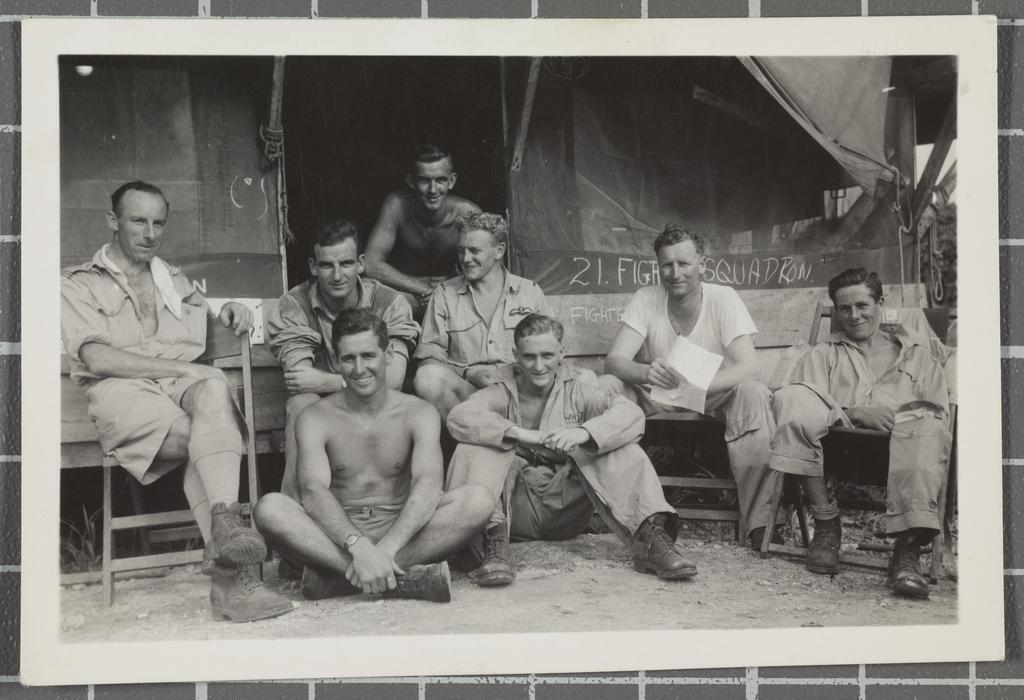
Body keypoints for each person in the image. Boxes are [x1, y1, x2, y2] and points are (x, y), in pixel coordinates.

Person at [60, 180, 292, 623]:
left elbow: (205, 324)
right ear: (114, 221)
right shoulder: (79, 284)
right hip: (122, 392)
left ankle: (223, 524)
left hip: (179, 388)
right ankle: (233, 580)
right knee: (208, 433)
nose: (150, 233)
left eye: (158, 223)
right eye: (138, 221)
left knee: (212, 390)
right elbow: (96, 356)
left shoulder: (174, 280)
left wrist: (230, 314)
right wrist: (181, 370)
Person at [254, 308, 495, 602]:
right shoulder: (315, 416)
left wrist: (384, 550)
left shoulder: (419, 412)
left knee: (479, 501)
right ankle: (398, 578)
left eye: (368, 356)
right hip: (338, 535)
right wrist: (359, 547)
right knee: (270, 508)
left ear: (388, 353)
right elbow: (313, 491)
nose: (358, 369)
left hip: (402, 530)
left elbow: (429, 484)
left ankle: (342, 580)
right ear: (336, 359)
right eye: (348, 359)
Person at [446, 313, 697, 587]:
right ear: (515, 355)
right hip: (512, 510)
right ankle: (491, 545)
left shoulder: (578, 388)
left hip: (565, 506)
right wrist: (518, 433)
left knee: (617, 444)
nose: (539, 366)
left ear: (562, 353)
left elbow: (631, 414)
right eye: (529, 357)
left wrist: (584, 433)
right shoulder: (501, 389)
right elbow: (460, 416)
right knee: (475, 446)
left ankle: (650, 540)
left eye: (547, 355)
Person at [769, 268, 955, 599]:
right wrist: (857, 412)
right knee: (791, 396)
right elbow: (807, 403)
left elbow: (936, 412)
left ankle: (907, 550)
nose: (854, 316)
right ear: (836, 311)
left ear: (880, 303)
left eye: (862, 305)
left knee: (928, 423)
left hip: (904, 453)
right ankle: (826, 523)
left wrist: (900, 418)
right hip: (837, 451)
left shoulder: (918, 356)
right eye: (844, 309)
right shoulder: (824, 353)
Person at [603, 225, 781, 550]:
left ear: (701, 263)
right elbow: (614, 361)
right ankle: (604, 509)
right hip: (661, 396)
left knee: (753, 392)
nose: (675, 273)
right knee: (605, 387)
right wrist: (646, 372)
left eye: (683, 264)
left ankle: (761, 524)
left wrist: (703, 383)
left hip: (712, 396)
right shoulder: (646, 298)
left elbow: (749, 366)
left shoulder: (723, 297)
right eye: (666, 265)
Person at [266, 219, 419, 501]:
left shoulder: (389, 303)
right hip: (324, 409)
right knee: (303, 406)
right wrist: (363, 381)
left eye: (346, 264)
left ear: (360, 263)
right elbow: (301, 380)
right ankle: (298, 515)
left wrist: (329, 380)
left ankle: (392, 510)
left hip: (380, 407)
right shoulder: (295, 305)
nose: (337, 275)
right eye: (327, 265)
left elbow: (394, 381)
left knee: (409, 410)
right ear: (313, 266)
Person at [413, 212, 549, 422]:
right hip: (469, 395)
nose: (465, 259)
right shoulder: (444, 294)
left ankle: (512, 442)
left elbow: (550, 350)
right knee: (427, 378)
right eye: (461, 251)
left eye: (474, 251)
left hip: (521, 394)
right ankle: (477, 436)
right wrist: (468, 373)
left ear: (499, 250)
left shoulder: (529, 292)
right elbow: (427, 358)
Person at [363, 145, 482, 316]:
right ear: (411, 181)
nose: (433, 190)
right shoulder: (397, 205)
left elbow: (486, 267)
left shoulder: (467, 212)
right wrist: (422, 289)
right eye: (425, 181)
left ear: (452, 181)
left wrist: (444, 291)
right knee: (365, 291)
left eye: (440, 180)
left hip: (452, 292)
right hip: (407, 292)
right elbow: (370, 264)